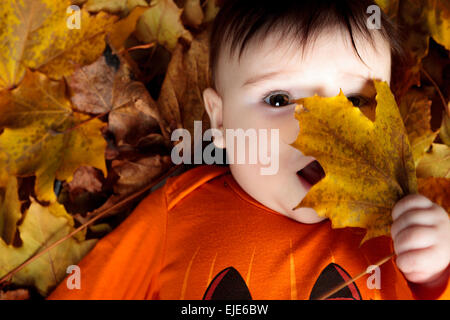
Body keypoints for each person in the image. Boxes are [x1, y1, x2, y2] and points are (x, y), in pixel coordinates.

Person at [48, 0, 449, 300]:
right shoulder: (180, 210)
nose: (326, 128)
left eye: (358, 101)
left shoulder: (397, 223)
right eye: (278, 100)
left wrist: (434, 271)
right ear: (220, 121)